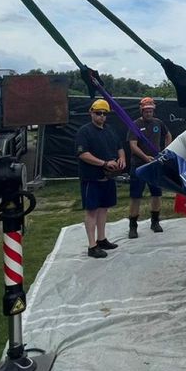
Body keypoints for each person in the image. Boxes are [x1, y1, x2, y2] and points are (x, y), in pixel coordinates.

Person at [75, 99, 125, 259]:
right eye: (98, 113)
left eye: (105, 114)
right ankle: (92, 246)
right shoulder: (84, 131)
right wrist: (104, 163)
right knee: (92, 211)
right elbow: (83, 154)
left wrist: (121, 159)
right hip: (92, 178)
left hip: (108, 177)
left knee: (104, 209)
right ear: (91, 112)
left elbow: (120, 147)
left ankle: (101, 239)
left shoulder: (109, 130)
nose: (102, 116)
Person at [127, 97, 172, 238]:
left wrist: (165, 151)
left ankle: (155, 222)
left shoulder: (158, 123)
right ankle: (133, 227)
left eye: (151, 110)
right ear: (142, 110)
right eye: (146, 110)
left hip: (155, 165)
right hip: (139, 165)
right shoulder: (135, 124)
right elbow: (133, 146)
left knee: (157, 194)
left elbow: (168, 135)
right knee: (136, 196)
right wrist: (146, 157)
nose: (149, 113)